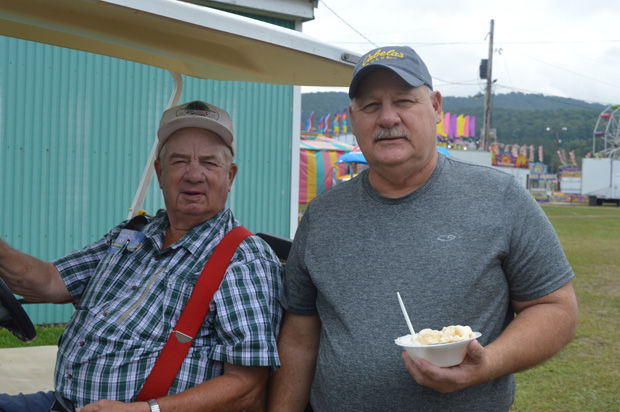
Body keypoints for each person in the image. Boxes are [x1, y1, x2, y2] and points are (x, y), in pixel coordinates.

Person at [267, 46, 578, 411]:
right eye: (370, 106)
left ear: (435, 107)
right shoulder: (322, 216)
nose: (387, 118)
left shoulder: (500, 198)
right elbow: (301, 337)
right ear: (352, 120)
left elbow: (555, 308)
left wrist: (486, 365)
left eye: (403, 100)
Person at [0, 100, 283, 411]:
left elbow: (247, 387)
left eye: (209, 163)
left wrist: (146, 411)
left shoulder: (244, 259)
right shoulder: (133, 233)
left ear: (230, 177)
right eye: (179, 161)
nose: (193, 174)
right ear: (160, 173)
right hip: (63, 402)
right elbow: (50, 280)